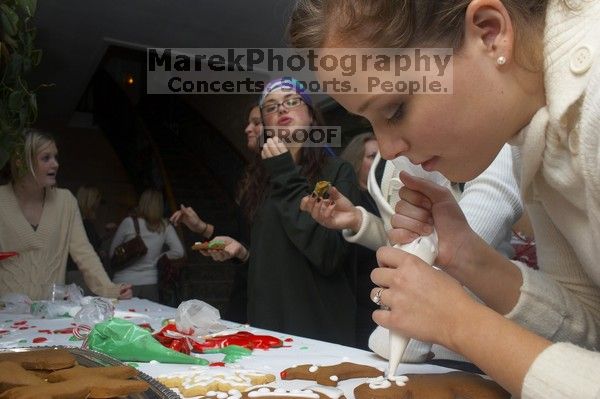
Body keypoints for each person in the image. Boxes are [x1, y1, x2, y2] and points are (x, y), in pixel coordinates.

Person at [288, 0, 600, 397]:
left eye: (396, 108)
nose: (387, 148)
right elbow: (590, 332)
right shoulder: (533, 139)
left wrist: (461, 324)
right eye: (371, 124)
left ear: (489, 32)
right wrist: (469, 258)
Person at [0, 130, 132, 300]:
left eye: (55, 157)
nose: (55, 164)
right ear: (21, 162)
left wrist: (109, 289)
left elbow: (84, 253)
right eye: (46, 158)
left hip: (49, 313)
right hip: (6, 315)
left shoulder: (66, 202)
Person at [170, 104, 263, 323]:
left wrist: (244, 253)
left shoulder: (285, 179)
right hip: (245, 291)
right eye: (248, 123)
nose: (247, 129)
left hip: (268, 297)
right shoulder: (252, 177)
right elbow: (241, 234)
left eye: (256, 123)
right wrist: (201, 227)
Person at [339, 132, 380, 349]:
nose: (378, 162)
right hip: (360, 301)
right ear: (357, 160)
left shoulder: (383, 197)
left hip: (383, 298)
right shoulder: (351, 201)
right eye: (372, 156)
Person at [110, 189, 184, 302]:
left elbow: (112, 253)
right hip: (150, 282)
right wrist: (159, 257)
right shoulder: (165, 226)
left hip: (123, 282)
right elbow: (179, 251)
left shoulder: (129, 222)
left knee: (122, 319)